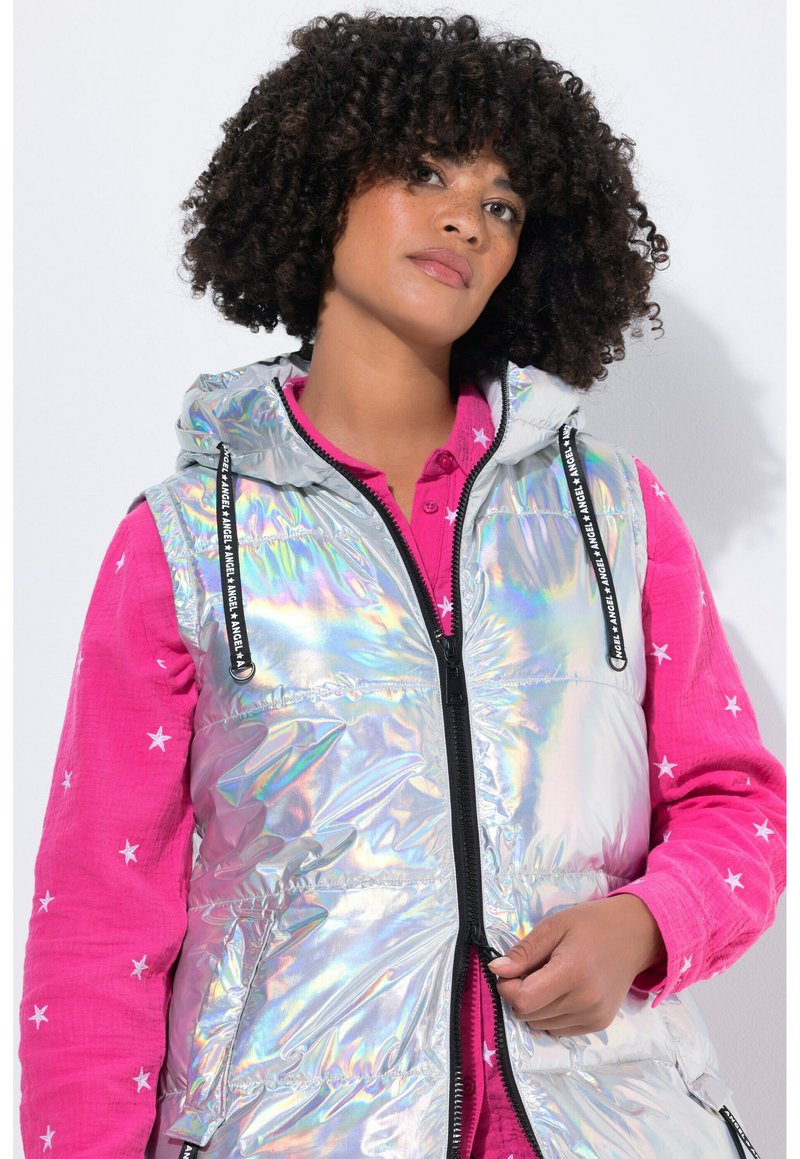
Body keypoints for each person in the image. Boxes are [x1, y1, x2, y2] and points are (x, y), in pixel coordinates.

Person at [18, 11, 785, 1158]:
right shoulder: (186, 540)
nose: (464, 219)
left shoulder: (614, 514)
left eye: (501, 205)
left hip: (610, 1123)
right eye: (424, 172)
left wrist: (642, 923)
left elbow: (737, 804)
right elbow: (97, 918)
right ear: (320, 180)